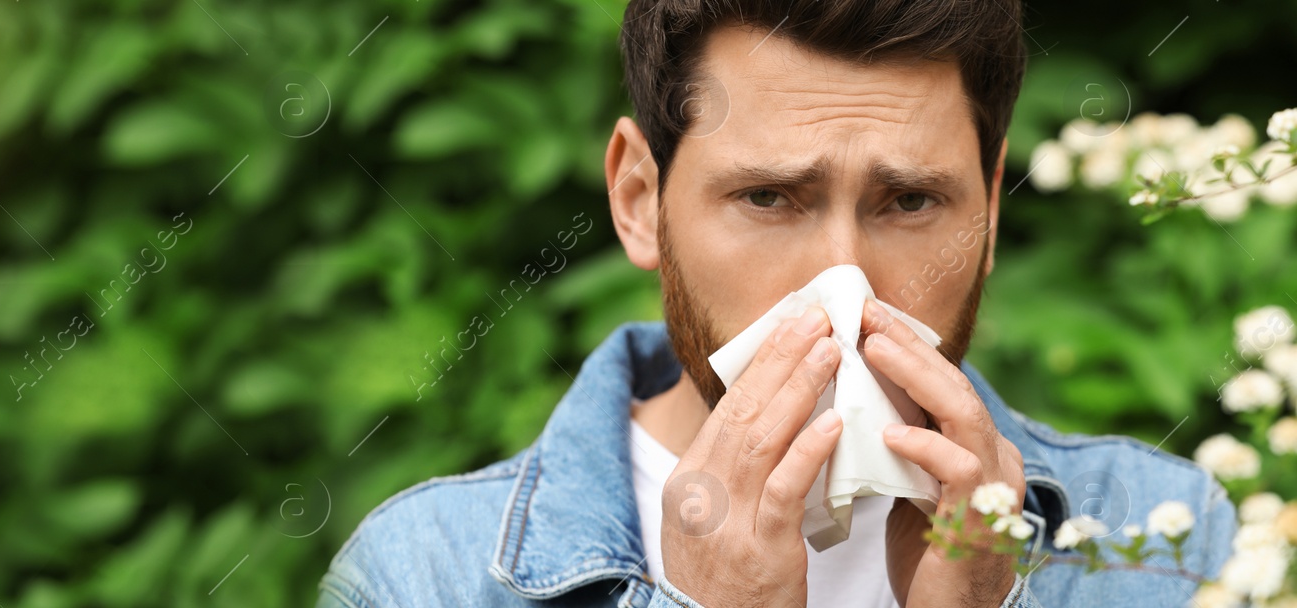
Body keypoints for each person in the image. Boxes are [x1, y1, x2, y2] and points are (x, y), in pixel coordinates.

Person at [319, 0, 1237, 605]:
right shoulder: (421, 574)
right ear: (639, 200)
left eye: (911, 201)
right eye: (767, 198)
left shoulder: (1168, 533)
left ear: (990, 209)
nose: (844, 282)